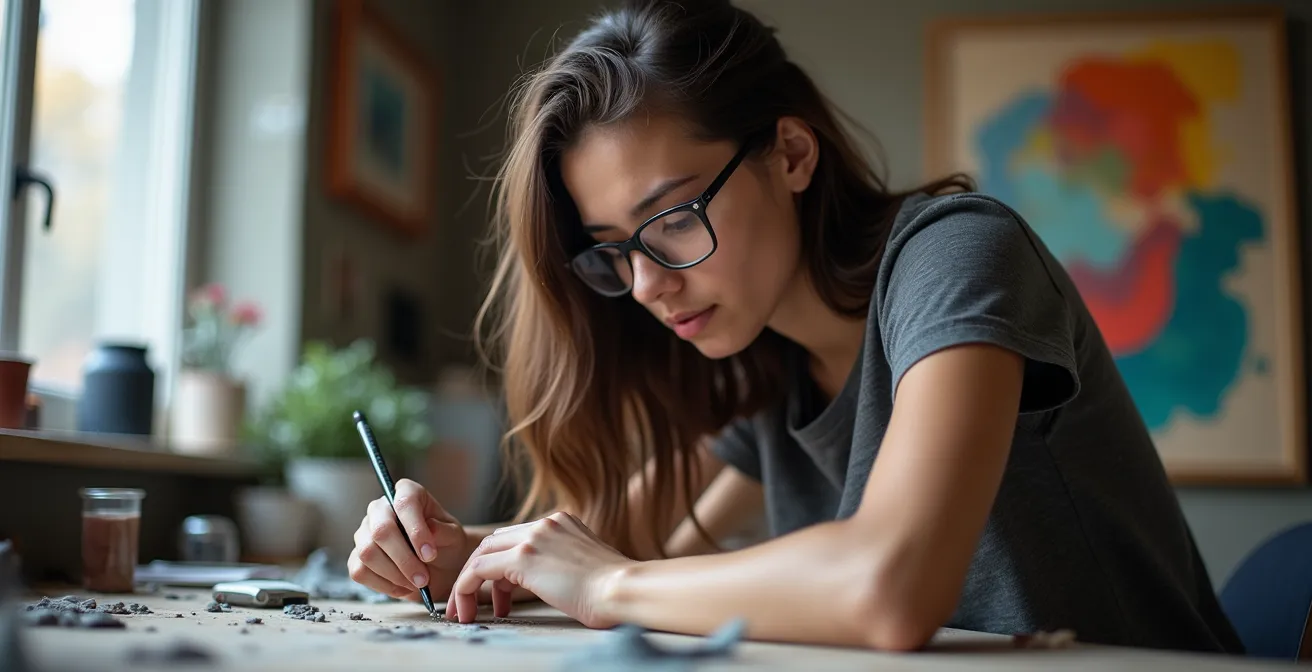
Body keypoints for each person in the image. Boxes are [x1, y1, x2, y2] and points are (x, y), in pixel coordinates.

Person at [347, 0, 1245, 654]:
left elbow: (889, 585)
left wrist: (610, 583)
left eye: (673, 219)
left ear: (791, 153)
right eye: (615, 249)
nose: (648, 284)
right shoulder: (768, 361)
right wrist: (462, 556)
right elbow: (627, 533)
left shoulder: (958, 255)